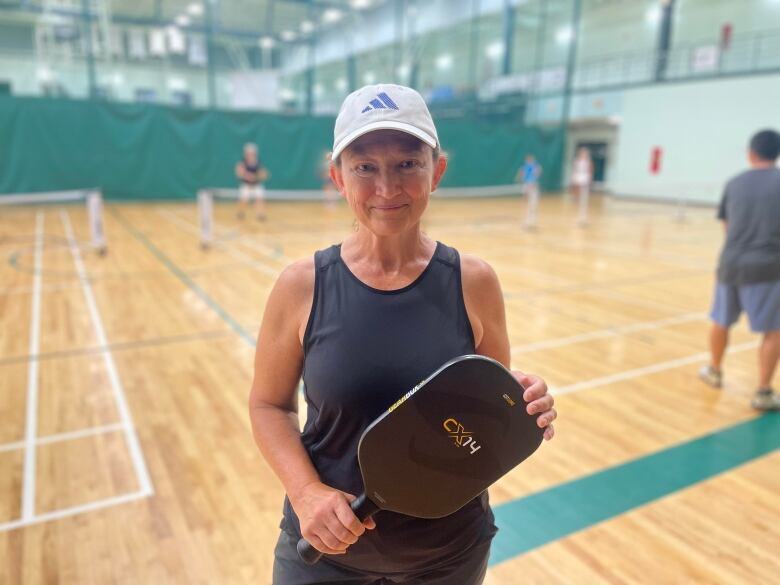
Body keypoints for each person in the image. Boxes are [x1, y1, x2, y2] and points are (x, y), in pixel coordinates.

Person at [248, 83, 557, 585]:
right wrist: (306, 494)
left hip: (447, 557)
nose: (387, 188)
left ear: (436, 170)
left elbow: (482, 405)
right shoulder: (301, 285)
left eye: (407, 164)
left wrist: (525, 404)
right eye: (365, 167)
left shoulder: (474, 282)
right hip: (324, 555)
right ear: (337, 178)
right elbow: (268, 406)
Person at [699, 129, 780, 411]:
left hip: (731, 264)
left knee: (721, 320)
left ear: (751, 152)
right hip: (768, 268)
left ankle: (714, 370)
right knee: (774, 330)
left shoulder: (734, 183)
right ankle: (763, 391)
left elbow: (727, 225)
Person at [235, 143, 269, 220]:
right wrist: (247, 176)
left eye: (252, 152)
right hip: (246, 185)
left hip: (256, 185)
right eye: (249, 152)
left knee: (259, 199)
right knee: (243, 200)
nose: (251, 154)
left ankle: (260, 214)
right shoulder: (242, 162)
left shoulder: (258, 162)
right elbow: (239, 172)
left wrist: (258, 176)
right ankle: (241, 213)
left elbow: (263, 173)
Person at [516, 153, 542, 229]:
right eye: (529, 159)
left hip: (532, 186)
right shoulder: (526, 167)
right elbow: (522, 175)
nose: (530, 160)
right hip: (529, 186)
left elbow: (537, 173)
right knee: (529, 206)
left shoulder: (533, 166)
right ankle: (527, 223)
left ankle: (531, 223)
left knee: (533, 206)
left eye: (531, 159)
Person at [570, 147, 593, 226]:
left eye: (585, 154)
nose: (584, 155)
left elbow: (590, 172)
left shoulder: (588, 162)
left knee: (584, 202)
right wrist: (574, 184)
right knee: (579, 201)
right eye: (582, 153)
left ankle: (583, 219)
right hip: (578, 181)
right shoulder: (576, 161)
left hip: (584, 181)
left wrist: (589, 181)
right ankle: (580, 219)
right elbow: (575, 172)